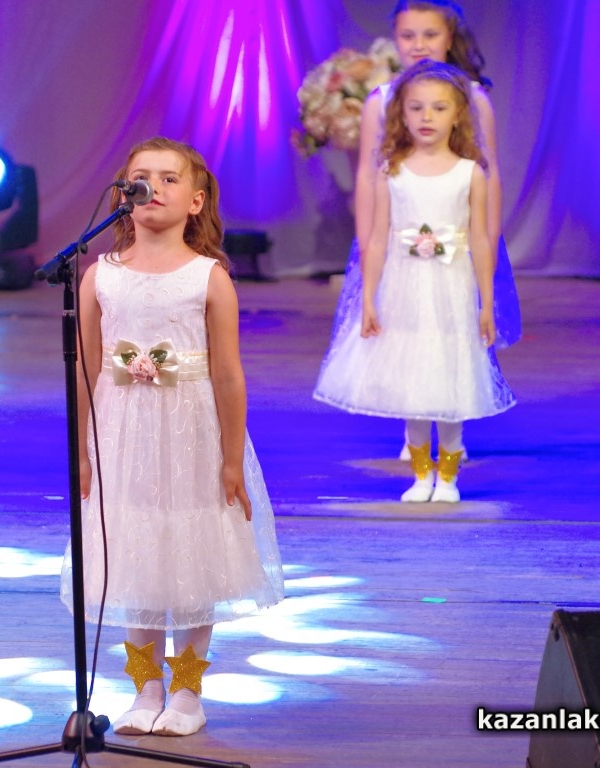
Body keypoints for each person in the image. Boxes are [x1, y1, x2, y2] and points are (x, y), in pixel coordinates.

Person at [60, 137, 284, 737]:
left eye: (168, 178)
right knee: (132, 545)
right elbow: (84, 369)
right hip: (122, 432)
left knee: (191, 546)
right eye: (142, 177)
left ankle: (187, 691)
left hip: (191, 432)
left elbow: (228, 374)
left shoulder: (208, 278)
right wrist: (81, 450)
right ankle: (145, 686)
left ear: (196, 200)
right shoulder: (99, 277)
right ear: (122, 194)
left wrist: (232, 459)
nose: (153, 188)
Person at [320, 0, 521, 460]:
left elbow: (488, 170)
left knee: (458, 323)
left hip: (457, 232)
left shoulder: (473, 97)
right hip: (397, 231)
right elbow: (370, 173)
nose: (419, 45)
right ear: (394, 39)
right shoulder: (383, 99)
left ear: (450, 38)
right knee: (399, 324)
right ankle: (413, 426)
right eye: (408, 35)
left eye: (430, 35)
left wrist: (487, 236)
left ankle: (451, 422)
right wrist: (367, 237)